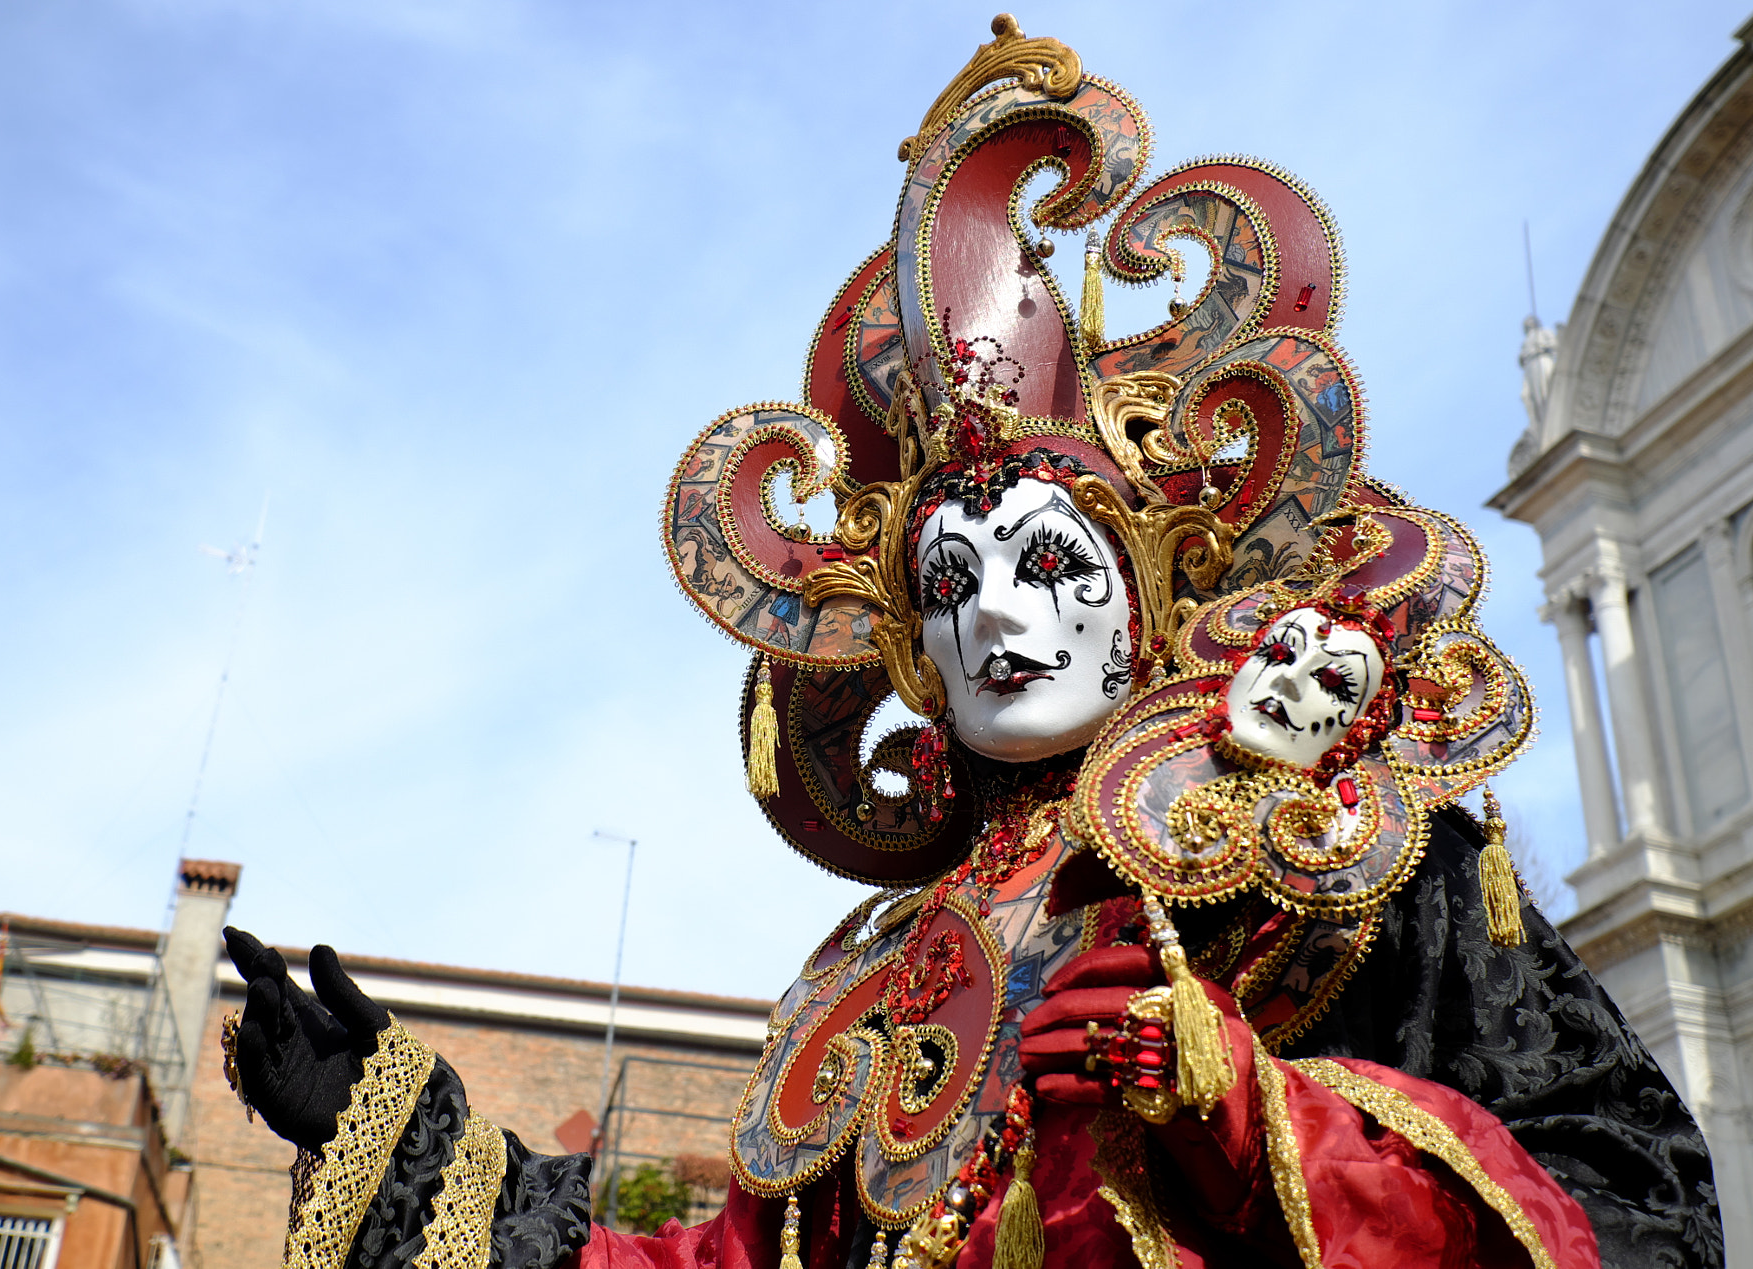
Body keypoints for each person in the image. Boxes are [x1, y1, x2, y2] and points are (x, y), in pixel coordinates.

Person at [222, 18, 1722, 1269]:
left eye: (1050, 562)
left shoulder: (1335, 862)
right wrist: (410, 1147)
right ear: (909, 649)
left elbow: (1630, 1210)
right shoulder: (889, 986)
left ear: (1150, 593)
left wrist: (1243, 1112)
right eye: (949, 578)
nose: (996, 611)